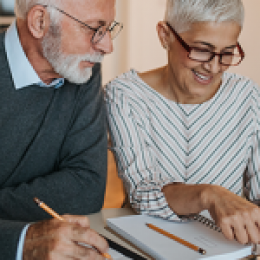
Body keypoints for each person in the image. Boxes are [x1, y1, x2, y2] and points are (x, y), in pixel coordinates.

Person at [105, 0, 260, 246]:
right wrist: (210, 195)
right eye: (201, 49)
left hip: (227, 249)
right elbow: (143, 195)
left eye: (227, 52)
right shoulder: (124, 95)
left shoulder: (249, 97)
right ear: (165, 35)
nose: (213, 66)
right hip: (149, 246)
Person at [0, 0, 122, 259]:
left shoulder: (81, 69)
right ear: (39, 22)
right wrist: (21, 241)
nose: (107, 46)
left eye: (108, 28)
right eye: (95, 29)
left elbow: (87, 188)